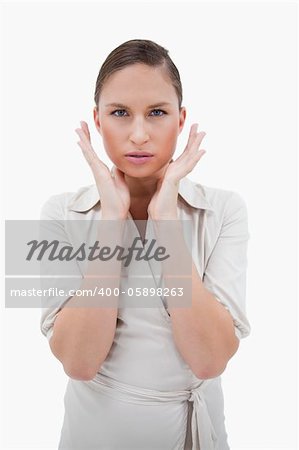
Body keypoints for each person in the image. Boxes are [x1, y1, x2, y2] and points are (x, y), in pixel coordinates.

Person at [40, 39, 251, 450]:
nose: (138, 134)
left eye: (157, 113)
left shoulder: (223, 210)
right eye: (120, 113)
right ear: (97, 122)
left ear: (180, 119)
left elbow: (209, 359)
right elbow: (79, 363)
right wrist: (112, 221)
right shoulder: (60, 214)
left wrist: (166, 219)